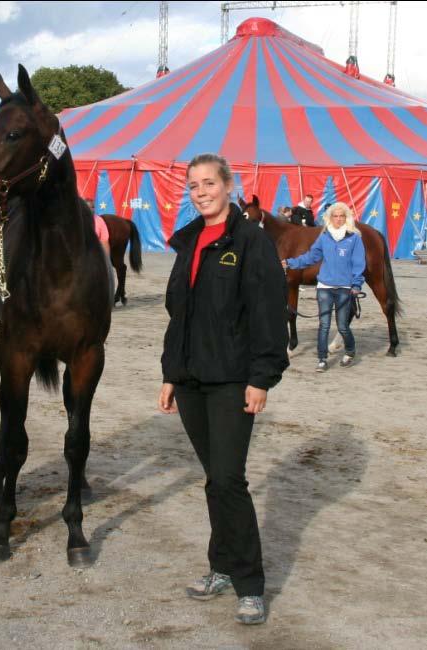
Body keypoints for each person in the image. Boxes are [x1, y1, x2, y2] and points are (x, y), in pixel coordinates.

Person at [158, 153, 289, 626]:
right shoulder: (189, 241)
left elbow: (268, 314)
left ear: (229, 185)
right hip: (192, 380)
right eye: (193, 185)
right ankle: (220, 566)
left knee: (230, 479)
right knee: (215, 477)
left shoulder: (251, 242)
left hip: (233, 380)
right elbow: (179, 316)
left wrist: (261, 379)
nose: (201, 192)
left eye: (209, 183)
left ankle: (250, 583)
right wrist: (171, 374)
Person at [282, 202, 366, 371]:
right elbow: (311, 257)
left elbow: (358, 263)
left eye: (342, 216)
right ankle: (322, 359)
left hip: (344, 288)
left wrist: (356, 284)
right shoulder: (325, 237)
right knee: (324, 325)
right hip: (324, 288)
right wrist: (289, 263)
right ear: (330, 218)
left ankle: (350, 350)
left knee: (342, 325)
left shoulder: (354, 238)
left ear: (346, 218)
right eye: (335, 216)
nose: (339, 219)